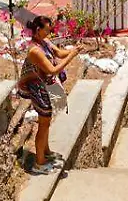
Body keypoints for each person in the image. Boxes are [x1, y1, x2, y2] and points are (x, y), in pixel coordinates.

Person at [17, 15, 84, 175]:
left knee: (47, 121)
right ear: (38, 30)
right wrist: (72, 56)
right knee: (43, 124)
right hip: (40, 89)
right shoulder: (34, 51)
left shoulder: (44, 42)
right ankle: (39, 163)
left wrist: (73, 50)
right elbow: (52, 70)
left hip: (47, 85)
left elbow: (59, 53)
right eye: (47, 29)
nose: (50, 32)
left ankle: (46, 152)